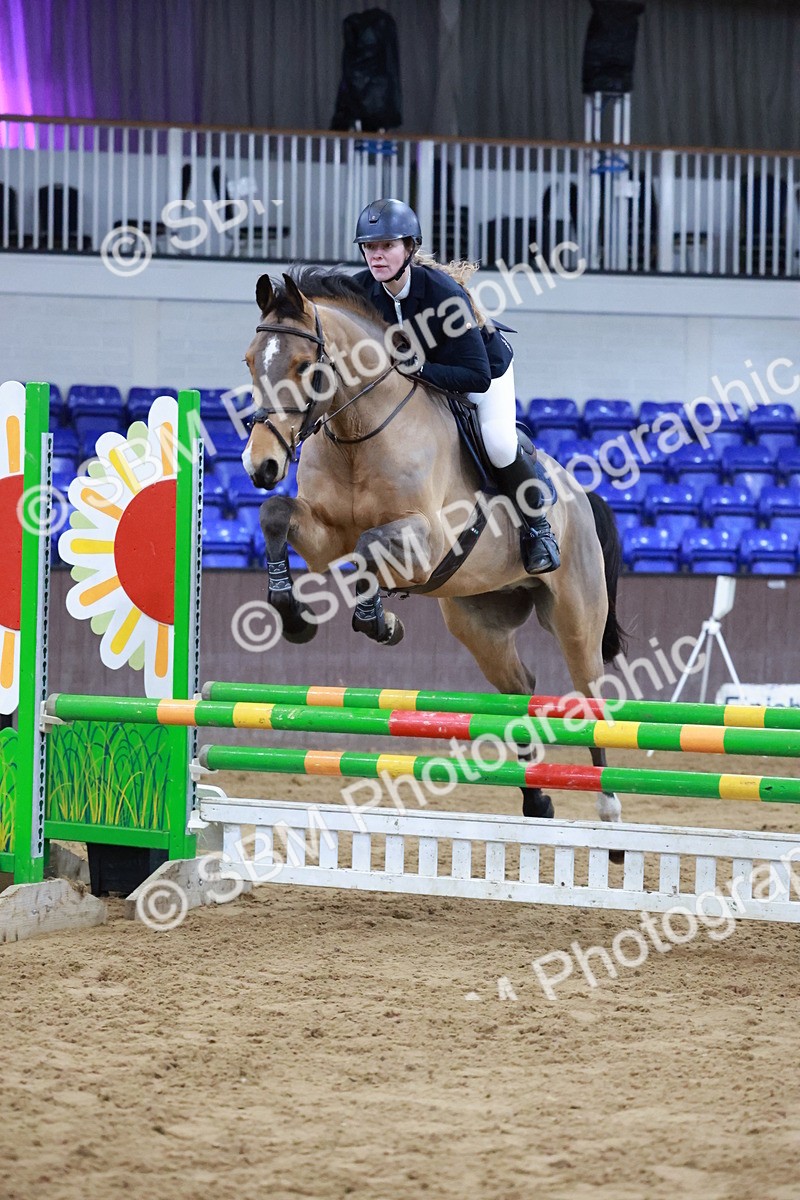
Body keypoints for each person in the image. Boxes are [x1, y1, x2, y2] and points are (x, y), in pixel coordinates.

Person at [352, 197, 560, 575]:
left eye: (387, 246)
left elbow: (476, 375)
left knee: (498, 442)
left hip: (481, 370)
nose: (376, 255)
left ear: (409, 248)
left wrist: (420, 369)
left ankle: (538, 529)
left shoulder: (443, 294)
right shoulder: (359, 291)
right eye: (369, 247)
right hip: (419, 381)